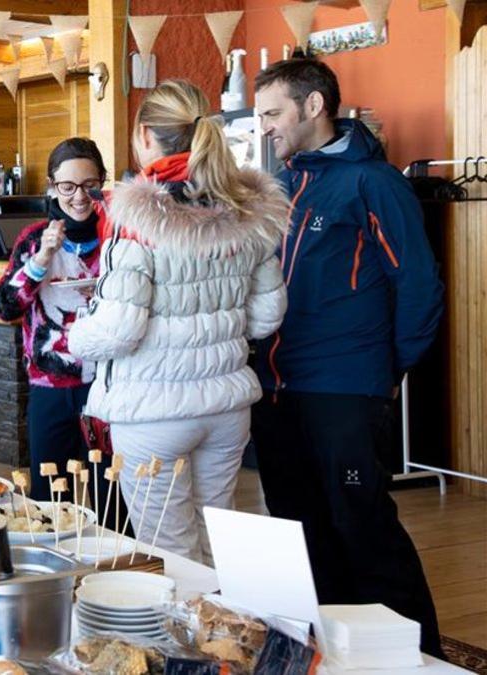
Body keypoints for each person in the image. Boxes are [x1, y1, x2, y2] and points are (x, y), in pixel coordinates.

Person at [252, 59, 444, 654]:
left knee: (360, 525)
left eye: (272, 113)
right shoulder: (281, 185)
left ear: (313, 106)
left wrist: (386, 372)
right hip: (277, 389)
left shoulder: (374, 182)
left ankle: (423, 659)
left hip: (345, 390)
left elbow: (419, 285)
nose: (263, 129)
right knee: (299, 532)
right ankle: (335, 655)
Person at [66, 80, 290, 564]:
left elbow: (118, 329)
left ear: (145, 135)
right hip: (227, 405)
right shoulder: (247, 212)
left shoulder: (137, 217)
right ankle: (225, 634)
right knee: (219, 537)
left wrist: (75, 332)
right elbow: (267, 316)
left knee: (169, 552)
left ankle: (181, 638)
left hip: (153, 411)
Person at [0, 138, 110, 501]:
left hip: (107, 387)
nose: (79, 197)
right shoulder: (33, 240)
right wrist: (42, 259)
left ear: (102, 183)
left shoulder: (117, 237)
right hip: (49, 387)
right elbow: (5, 307)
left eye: (90, 185)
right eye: (68, 187)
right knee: (49, 500)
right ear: (52, 188)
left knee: (112, 498)